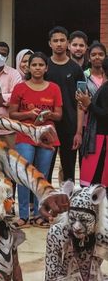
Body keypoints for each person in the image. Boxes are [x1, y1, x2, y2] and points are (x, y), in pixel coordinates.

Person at [9, 52, 62, 228]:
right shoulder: (20, 88)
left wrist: (49, 114)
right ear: (28, 67)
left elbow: (59, 115)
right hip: (25, 135)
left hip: (47, 137)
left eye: (41, 65)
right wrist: (28, 114)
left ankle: (41, 214)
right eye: (34, 65)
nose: (37, 68)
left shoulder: (54, 88)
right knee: (24, 175)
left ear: (46, 68)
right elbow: (12, 114)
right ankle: (24, 215)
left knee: (42, 176)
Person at [45, 26, 85, 182]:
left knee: (69, 171)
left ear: (68, 43)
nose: (59, 44)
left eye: (62, 40)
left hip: (70, 125)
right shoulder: (44, 66)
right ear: (50, 43)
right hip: (48, 125)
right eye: (55, 41)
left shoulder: (76, 69)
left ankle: (68, 203)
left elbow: (81, 102)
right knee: (46, 167)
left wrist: (79, 132)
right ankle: (44, 203)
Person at [76, 57, 108, 187]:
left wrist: (89, 105)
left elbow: (105, 114)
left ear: (103, 70)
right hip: (99, 137)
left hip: (101, 140)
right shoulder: (104, 87)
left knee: (96, 183)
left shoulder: (106, 88)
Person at [0, 41, 22, 148]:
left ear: (7, 58)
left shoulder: (14, 74)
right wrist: (6, 98)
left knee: (8, 163)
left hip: (7, 129)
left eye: (3, 54)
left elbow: (17, 97)